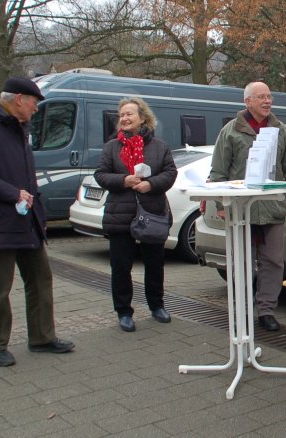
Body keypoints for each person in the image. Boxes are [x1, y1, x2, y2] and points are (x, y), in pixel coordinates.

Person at [0, 77, 76, 367]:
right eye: (35, 103)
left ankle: (42, 337)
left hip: (26, 221)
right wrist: (12, 193)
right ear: (20, 99)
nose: (36, 110)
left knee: (40, 278)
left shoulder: (18, 127)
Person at [208, 81, 286, 332]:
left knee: (273, 261)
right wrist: (220, 204)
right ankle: (242, 309)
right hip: (239, 209)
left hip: (271, 208)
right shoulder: (231, 131)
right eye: (261, 97)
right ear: (247, 101)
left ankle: (267, 310)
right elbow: (218, 171)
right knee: (241, 261)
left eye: (269, 96)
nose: (267, 101)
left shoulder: (279, 129)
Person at [94, 97, 177, 332]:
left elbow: (170, 173)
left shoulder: (159, 146)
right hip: (120, 214)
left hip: (152, 212)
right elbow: (101, 175)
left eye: (129, 114)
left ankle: (157, 306)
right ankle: (123, 311)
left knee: (154, 264)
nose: (125, 118)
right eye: (121, 115)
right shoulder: (112, 146)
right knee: (121, 266)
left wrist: (150, 184)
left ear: (143, 118)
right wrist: (123, 180)